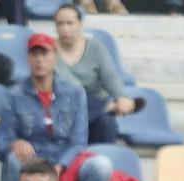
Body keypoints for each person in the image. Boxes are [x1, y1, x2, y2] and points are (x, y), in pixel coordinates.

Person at [0, 32, 112, 181]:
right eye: (34, 54)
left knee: (101, 165)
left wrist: (60, 166)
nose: (39, 60)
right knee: (14, 159)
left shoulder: (75, 91)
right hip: (33, 161)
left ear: (55, 57)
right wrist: (15, 143)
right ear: (28, 59)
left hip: (66, 161)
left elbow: (79, 141)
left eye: (45, 53)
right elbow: (2, 141)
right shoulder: (14, 95)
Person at [52, 4, 140, 145]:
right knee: (78, 100)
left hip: (93, 101)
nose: (65, 29)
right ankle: (107, 107)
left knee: (105, 122)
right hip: (65, 106)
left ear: (80, 24)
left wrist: (122, 96)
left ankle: (105, 161)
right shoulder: (49, 50)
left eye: (70, 23)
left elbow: (110, 76)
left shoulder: (95, 47)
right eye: (60, 24)